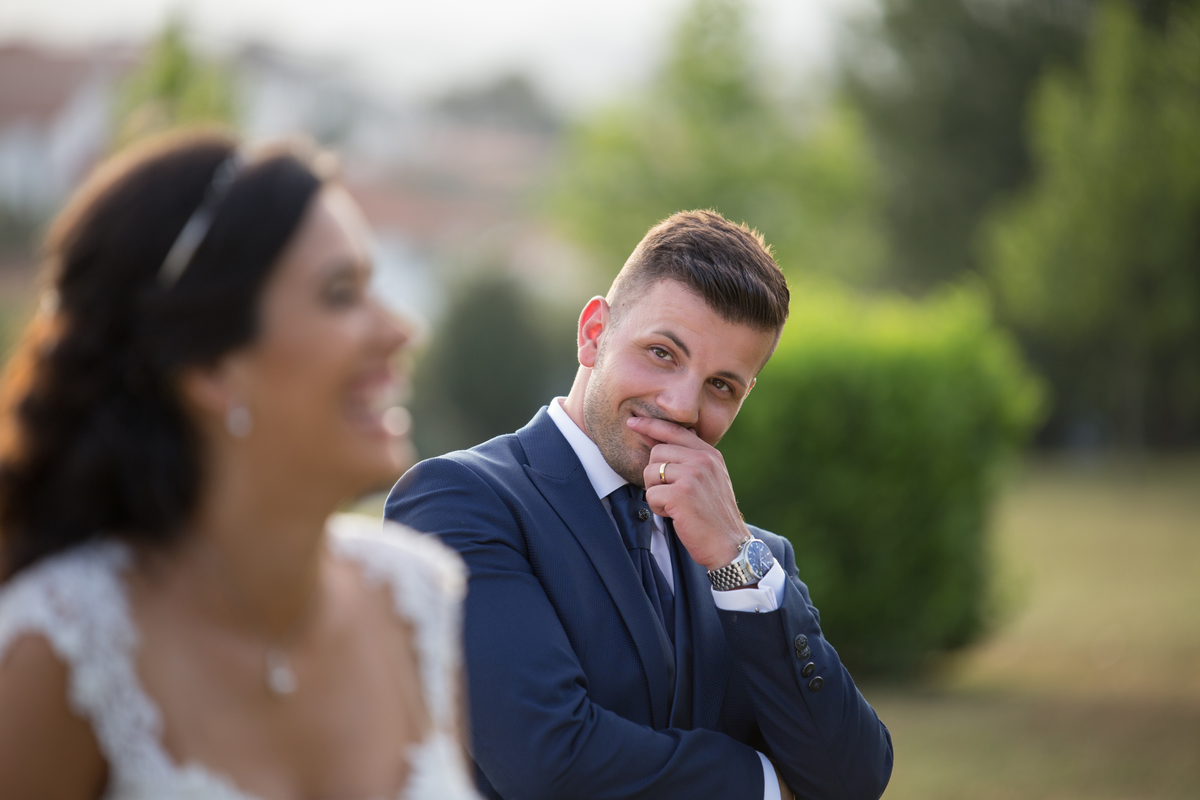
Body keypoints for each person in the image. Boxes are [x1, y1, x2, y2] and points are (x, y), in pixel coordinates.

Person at [0, 131, 481, 800]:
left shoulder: (417, 604)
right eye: (341, 294)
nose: (401, 331)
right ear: (210, 366)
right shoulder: (65, 650)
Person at [386, 210, 893, 800]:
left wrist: (735, 558)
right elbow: (549, 762)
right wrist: (764, 786)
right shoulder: (460, 502)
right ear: (594, 333)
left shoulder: (753, 563)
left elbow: (852, 778)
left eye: (721, 385)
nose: (681, 406)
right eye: (661, 353)